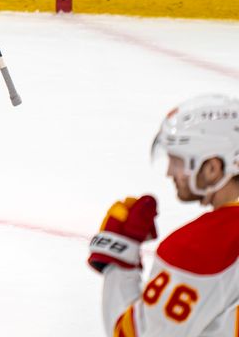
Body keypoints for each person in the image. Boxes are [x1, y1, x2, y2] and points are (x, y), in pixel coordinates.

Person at [88, 94, 239, 335]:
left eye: (178, 161)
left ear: (213, 168)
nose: (170, 172)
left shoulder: (199, 247)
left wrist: (119, 260)